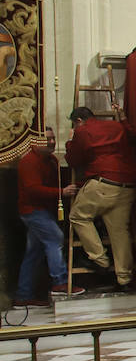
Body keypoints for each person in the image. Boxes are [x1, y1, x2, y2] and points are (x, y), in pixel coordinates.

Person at [65, 106, 136, 291]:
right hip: (128, 183)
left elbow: (73, 160)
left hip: (103, 182)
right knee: (119, 231)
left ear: (79, 121)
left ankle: (100, 260)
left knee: (78, 216)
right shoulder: (115, 126)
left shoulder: (83, 131)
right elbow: (133, 135)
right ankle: (124, 279)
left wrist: (70, 141)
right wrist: (122, 117)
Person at [15, 127, 82, 304]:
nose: (52, 142)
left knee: (34, 253)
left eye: (53, 139)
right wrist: (61, 192)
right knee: (55, 238)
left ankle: (23, 295)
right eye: (47, 139)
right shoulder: (29, 161)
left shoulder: (51, 159)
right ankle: (60, 282)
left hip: (43, 210)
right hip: (33, 210)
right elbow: (33, 190)